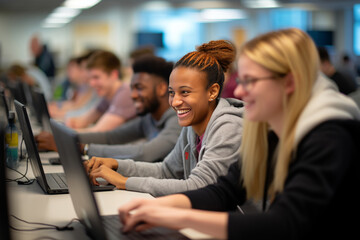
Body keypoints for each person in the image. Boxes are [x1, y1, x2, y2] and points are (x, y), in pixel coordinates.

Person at [117, 28, 360, 239]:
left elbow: (286, 224)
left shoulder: (330, 136)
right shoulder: (271, 131)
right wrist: (154, 208)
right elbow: (224, 190)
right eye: (240, 80)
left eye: (250, 81)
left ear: (289, 83)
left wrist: (175, 216)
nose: (240, 92)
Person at [85, 40, 244, 197]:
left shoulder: (227, 127)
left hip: (236, 220)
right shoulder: (192, 126)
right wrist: (117, 165)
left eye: (185, 92)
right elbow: (167, 170)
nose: (175, 102)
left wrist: (124, 181)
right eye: (172, 92)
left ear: (212, 92)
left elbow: (199, 186)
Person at [36, 55, 181, 163]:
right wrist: (64, 139)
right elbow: (110, 137)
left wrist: (78, 147)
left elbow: (145, 153)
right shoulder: (149, 118)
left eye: (140, 88)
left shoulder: (177, 120)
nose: (133, 95)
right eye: (132, 88)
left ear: (162, 88)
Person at [65, 50, 136, 132]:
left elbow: (97, 132)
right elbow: (82, 121)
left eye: (96, 77)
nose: (91, 83)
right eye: (90, 78)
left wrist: (65, 133)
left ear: (114, 75)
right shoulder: (108, 95)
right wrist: (71, 122)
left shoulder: (125, 93)